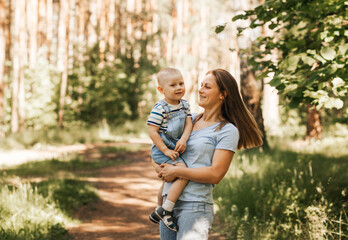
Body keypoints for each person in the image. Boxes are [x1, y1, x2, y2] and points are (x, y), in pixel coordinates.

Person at [153, 69, 263, 239]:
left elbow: (215, 174)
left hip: (195, 206)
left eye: (207, 87)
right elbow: (161, 143)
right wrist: (161, 168)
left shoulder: (227, 130)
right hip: (168, 204)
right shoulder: (190, 119)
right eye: (201, 85)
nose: (200, 89)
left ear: (222, 95)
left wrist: (176, 171)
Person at [147, 68, 193, 232]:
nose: (179, 87)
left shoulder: (185, 104)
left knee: (168, 181)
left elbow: (189, 123)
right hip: (163, 150)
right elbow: (152, 132)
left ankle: (158, 207)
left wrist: (183, 139)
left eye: (181, 83)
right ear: (161, 90)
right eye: (173, 85)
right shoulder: (160, 108)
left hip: (175, 146)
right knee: (183, 173)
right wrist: (165, 150)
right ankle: (166, 210)